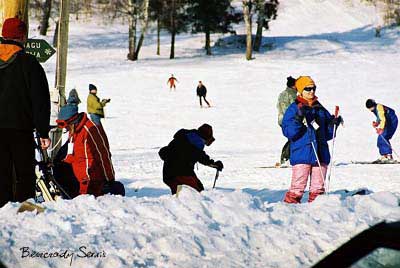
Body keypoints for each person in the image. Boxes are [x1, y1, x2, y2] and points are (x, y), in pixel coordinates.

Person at [0, 18, 51, 207]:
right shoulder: (29, 63)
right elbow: (40, 100)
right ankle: (25, 210)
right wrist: (43, 131)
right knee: (25, 173)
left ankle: (3, 214)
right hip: (21, 128)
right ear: (22, 37)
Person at [281, 76, 342, 203]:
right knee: (297, 188)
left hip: (320, 153)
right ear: (300, 90)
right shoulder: (294, 108)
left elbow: (328, 135)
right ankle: (289, 209)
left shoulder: (320, 108)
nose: (311, 92)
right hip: (302, 153)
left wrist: (333, 124)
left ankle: (317, 210)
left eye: (313, 88)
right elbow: (289, 132)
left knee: (318, 189)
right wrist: (298, 119)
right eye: (307, 89)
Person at [55, 99, 124, 197]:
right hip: (78, 177)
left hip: (90, 179)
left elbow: (103, 155)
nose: (65, 129)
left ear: (72, 121)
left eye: (66, 126)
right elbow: (71, 154)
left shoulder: (90, 130)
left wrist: (110, 179)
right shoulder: (73, 131)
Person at [159, 124, 224, 194]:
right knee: (197, 193)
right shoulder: (196, 141)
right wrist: (214, 164)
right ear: (205, 137)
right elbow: (201, 157)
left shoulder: (185, 136)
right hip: (181, 173)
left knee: (180, 196)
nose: (205, 143)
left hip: (168, 174)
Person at [277, 76, 297, 165]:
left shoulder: (282, 93)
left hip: (282, 119)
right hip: (289, 120)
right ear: (293, 86)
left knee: (292, 138)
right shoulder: (292, 94)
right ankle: (285, 158)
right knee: (294, 138)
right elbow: (293, 109)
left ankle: (286, 158)